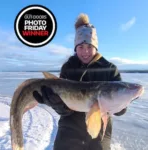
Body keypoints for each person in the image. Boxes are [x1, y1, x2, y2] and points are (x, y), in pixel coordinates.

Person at [33, 13, 127, 150]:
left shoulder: (110, 69)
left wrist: (121, 104)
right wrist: (58, 104)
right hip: (69, 126)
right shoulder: (68, 68)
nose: (85, 52)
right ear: (75, 47)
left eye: (89, 46)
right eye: (81, 47)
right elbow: (65, 110)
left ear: (96, 46)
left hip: (100, 129)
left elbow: (120, 110)